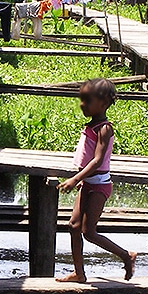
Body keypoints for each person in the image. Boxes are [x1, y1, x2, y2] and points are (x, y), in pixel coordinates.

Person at [56, 79, 137, 283]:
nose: (83, 105)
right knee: (73, 226)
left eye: (87, 101)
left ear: (103, 104)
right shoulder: (91, 125)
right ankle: (79, 273)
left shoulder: (104, 129)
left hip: (99, 185)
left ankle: (126, 255)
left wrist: (74, 179)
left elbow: (97, 160)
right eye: (82, 101)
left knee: (89, 232)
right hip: (88, 183)